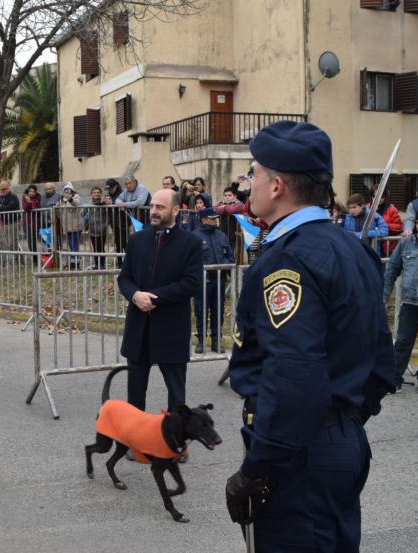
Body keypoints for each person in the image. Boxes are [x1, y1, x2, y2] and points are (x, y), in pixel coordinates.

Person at [225, 121, 395, 552]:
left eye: (254, 174)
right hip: (339, 441)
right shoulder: (350, 248)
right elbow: (380, 358)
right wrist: (344, 421)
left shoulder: (289, 261)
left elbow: (293, 374)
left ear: (278, 185)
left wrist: (258, 466)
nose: (250, 183)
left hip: (300, 454)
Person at [117, 188, 203, 415]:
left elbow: (191, 283)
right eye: (152, 206)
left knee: (176, 395)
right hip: (138, 330)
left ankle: (175, 444)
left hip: (171, 330)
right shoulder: (136, 240)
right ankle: (136, 442)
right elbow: (124, 278)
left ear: (176, 210)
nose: (153, 211)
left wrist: (153, 298)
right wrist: (135, 295)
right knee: (135, 394)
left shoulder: (191, 243)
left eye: (160, 207)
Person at [383, 207, 418, 394]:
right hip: (410, 303)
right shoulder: (406, 244)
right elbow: (391, 270)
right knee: (403, 342)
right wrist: (383, 295)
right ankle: (394, 378)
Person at [192, 207, 234, 354]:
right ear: (204, 220)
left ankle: (217, 340)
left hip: (219, 280)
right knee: (201, 310)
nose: (216, 220)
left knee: (218, 310)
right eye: (212, 218)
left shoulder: (222, 236)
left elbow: (229, 256)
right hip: (202, 280)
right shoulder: (194, 237)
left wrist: (229, 270)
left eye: (216, 218)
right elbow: (190, 260)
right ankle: (201, 340)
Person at [56, 182, 83, 267]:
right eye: (65, 190)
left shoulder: (76, 196)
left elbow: (76, 203)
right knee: (71, 244)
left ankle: (75, 263)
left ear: (72, 190)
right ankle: (73, 261)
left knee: (74, 244)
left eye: (68, 190)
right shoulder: (61, 200)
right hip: (67, 226)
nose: (67, 192)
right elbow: (58, 213)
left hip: (75, 225)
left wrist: (70, 199)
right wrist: (56, 207)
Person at [371, 187, 403, 257]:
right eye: (374, 196)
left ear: (384, 197)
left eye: (381, 196)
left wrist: (385, 227)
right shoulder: (367, 209)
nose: (378, 199)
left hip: (387, 248)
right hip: (371, 247)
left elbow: (399, 227)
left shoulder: (391, 209)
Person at [103, 178, 128, 263]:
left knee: (125, 243)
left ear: (116, 186)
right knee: (118, 243)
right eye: (108, 189)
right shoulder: (109, 194)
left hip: (124, 222)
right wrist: (104, 202)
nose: (110, 190)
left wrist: (112, 204)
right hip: (114, 222)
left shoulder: (122, 193)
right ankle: (120, 262)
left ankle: (129, 262)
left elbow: (122, 205)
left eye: (111, 188)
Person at [0, 179, 21, 251]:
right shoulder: (1, 197)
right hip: (5, 223)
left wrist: (0, 207)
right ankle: (15, 258)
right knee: (8, 242)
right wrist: (0, 208)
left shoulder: (13, 196)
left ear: (8, 188)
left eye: (4, 189)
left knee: (13, 242)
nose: (3, 190)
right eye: (1, 189)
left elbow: (8, 208)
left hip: (13, 222)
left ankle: (15, 258)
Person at [87, 186, 109, 269]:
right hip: (92, 229)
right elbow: (83, 213)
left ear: (101, 194)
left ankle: (102, 264)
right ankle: (96, 264)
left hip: (102, 229)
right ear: (91, 194)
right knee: (95, 248)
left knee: (101, 247)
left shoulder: (103, 202)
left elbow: (108, 214)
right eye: (94, 192)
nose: (96, 194)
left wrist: (105, 225)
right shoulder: (89, 203)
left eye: (98, 192)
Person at [22, 184, 42, 254]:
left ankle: (37, 258)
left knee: (35, 241)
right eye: (30, 191)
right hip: (27, 224)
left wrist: (30, 202)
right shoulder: (25, 198)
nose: (31, 193)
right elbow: (26, 208)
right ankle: (35, 259)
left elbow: (36, 208)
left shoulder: (38, 198)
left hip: (36, 223)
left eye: (33, 191)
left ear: (35, 192)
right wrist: (29, 202)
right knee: (30, 242)